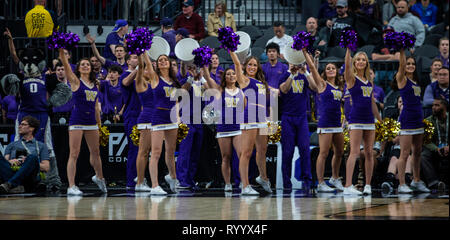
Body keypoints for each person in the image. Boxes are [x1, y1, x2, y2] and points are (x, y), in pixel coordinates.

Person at [58, 46, 107, 195]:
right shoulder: (74, 81)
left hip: (92, 121)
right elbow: (66, 65)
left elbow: (96, 108)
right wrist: (61, 49)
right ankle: (71, 186)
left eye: (88, 64)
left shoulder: (95, 84)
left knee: (96, 152)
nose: (85, 66)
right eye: (83, 64)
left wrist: (99, 125)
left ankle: (99, 177)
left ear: (91, 68)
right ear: (78, 68)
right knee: (74, 153)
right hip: (77, 120)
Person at [135, 53, 182, 194]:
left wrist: (178, 116)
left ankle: (172, 177)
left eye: (165, 60)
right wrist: (142, 51)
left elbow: (177, 100)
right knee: (155, 152)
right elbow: (148, 64)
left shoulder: (174, 81)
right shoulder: (155, 78)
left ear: (169, 63)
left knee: (170, 152)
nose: (162, 62)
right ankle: (155, 186)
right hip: (158, 117)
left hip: (171, 118)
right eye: (160, 60)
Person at [229, 50, 273, 195]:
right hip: (250, 117)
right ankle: (245, 186)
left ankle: (263, 177)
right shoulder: (243, 80)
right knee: (246, 153)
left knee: (262, 151)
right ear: (245, 66)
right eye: (250, 65)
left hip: (262, 118)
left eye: (255, 65)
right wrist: (231, 50)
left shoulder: (261, 83)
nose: (252, 67)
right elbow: (236, 64)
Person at [302, 48, 344, 192]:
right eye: (328, 68)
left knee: (339, 152)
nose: (331, 70)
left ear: (337, 71)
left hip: (337, 123)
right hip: (325, 123)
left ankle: (334, 177)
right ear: (325, 72)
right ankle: (320, 183)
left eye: (333, 68)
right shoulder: (322, 84)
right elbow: (313, 68)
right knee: (324, 153)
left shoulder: (339, 86)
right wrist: (304, 51)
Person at [343, 48, 381, 195]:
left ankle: (368, 185)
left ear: (366, 63)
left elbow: (372, 103)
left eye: (363, 60)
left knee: (369, 153)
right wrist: (348, 50)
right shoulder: (352, 79)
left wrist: (380, 119)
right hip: (356, 119)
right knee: (354, 153)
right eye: (358, 59)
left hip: (369, 120)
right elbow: (346, 67)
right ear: (354, 62)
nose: (360, 62)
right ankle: (347, 185)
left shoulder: (369, 82)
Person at [202, 65, 245, 192]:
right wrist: (205, 66)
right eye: (228, 74)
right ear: (224, 77)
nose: (231, 76)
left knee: (241, 155)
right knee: (226, 157)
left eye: (233, 73)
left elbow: (244, 109)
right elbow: (208, 79)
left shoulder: (241, 91)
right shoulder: (220, 90)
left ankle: (243, 182)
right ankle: (227, 184)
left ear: (237, 76)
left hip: (237, 127)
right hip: (223, 127)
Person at [393, 48, 430, 193]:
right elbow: (401, 66)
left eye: (412, 64)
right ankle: (402, 184)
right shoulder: (402, 79)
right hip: (407, 119)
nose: (410, 66)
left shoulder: (416, 81)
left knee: (418, 152)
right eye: (408, 64)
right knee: (404, 153)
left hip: (417, 119)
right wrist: (402, 50)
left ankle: (416, 180)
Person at [0, 116, 50, 194]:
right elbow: (4, 162)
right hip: (13, 172)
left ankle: (11, 185)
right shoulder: (12, 145)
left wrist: (28, 163)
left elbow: (46, 167)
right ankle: (16, 185)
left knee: (32, 158)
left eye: (23, 124)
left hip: (30, 177)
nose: (20, 126)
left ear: (31, 128)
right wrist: (10, 161)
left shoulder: (41, 146)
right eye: (20, 124)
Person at [118, 53, 139, 190]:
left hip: (143, 115)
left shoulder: (141, 74)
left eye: (139, 57)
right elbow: (126, 83)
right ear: (128, 61)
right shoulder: (125, 74)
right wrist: (139, 67)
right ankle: (131, 181)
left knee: (143, 150)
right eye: (135, 58)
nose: (137, 59)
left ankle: (140, 178)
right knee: (134, 148)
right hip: (132, 115)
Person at [421, 97, 448, 191]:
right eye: (433, 105)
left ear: (444, 107)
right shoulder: (428, 121)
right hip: (436, 149)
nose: (433, 107)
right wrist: (436, 149)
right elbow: (426, 140)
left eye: (437, 105)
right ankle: (434, 183)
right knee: (423, 155)